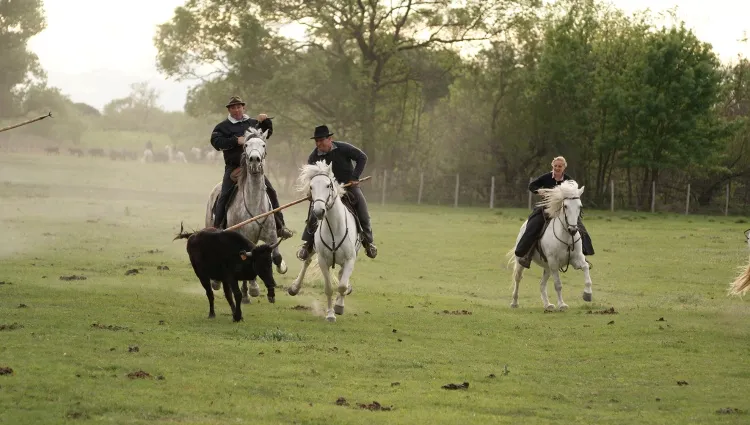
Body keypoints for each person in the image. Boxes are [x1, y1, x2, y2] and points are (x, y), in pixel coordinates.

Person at [209, 96, 292, 238]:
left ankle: (280, 226)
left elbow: (267, 134)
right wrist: (235, 140)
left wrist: (266, 121)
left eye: (238, 107)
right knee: (224, 195)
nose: (236, 110)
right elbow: (216, 142)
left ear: (243, 107)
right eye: (233, 107)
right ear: (229, 110)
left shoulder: (253, 123)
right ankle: (217, 229)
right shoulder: (222, 127)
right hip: (233, 168)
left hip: (254, 169)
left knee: (271, 191)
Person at [296, 125, 378, 260]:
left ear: (330, 139)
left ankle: (368, 243)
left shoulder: (344, 148)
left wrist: (355, 177)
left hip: (348, 186)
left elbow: (362, 157)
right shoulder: (313, 157)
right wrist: (312, 192)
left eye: (321, 140)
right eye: (316, 141)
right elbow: (312, 177)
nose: (318, 143)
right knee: (314, 212)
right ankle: (307, 244)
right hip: (325, 191)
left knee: (362, 208)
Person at [514, 156, 594, 268]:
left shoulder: (569, 180)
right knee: (533, 225)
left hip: (564, 210)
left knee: (580, 227)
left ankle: (581, 256)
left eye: (559, 166)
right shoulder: (546, 177)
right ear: (553, 166)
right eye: (555, 166)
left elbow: (575, 194)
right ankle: (527, 255)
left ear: (564, 167)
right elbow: (532, 185)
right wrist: (539, 191)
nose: (557, 168)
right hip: (546, 208)